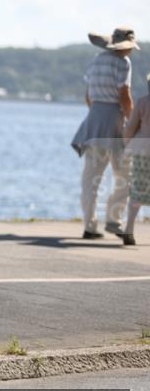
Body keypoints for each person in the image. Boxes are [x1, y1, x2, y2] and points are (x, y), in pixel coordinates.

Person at [71, 26, 138, 239]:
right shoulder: (123, 63)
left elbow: (87, 95)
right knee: (124, 174)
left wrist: (97, 114)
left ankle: (89, 227)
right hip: (115, 123)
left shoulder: (96, 60)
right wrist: (133, 122)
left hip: (93, 122)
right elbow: (124, 96)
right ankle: (113, 219)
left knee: (91, 178)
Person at [121, 73, 150, 246]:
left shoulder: (142, 102)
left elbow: (131, 127)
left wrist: (126, 143)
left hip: (143, 152)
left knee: (138, 189)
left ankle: (129, 229)